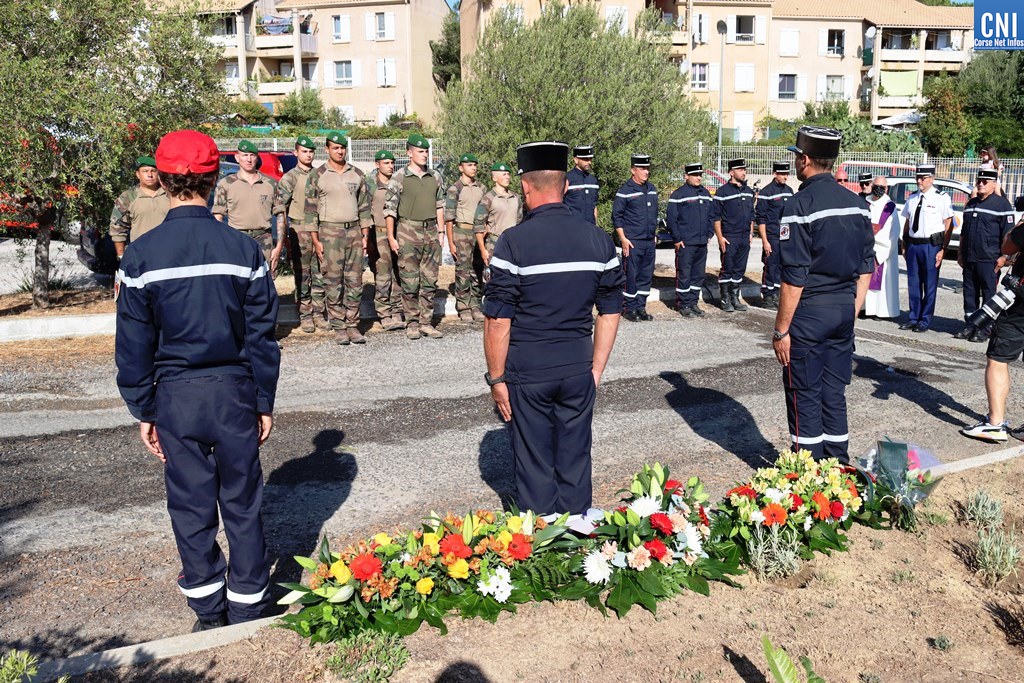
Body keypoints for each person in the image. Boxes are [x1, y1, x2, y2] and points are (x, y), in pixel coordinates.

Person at [115, 129, 280, 632]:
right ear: (213, 180)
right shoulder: (243, 250)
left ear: (163, 181)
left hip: (175, 398)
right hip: (234, 393)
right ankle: (248, 605)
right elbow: (261, 335)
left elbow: (134, 344)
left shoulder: (140, 256)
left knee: (189, 505)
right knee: (243, 502)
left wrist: (144, 408)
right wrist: (263, 400)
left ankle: (209, 612)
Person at [483, 140, 623, 518]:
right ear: (566, 185)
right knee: (575, 455)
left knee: (535, 461)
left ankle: (543, 540)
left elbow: (497, 319)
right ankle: (578, 533)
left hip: (529, 370)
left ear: (525, 187)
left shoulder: (513, 242)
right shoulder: (598, 240)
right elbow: (611, 311)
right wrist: (596, 369)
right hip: (578, 366)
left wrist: (496, 378)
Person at [772, 126, 875, 461]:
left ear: (804, 160)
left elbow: (794, 277)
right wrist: (851, 310)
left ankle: (809, 474)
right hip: (844, 309)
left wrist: (781, 330)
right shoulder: (857, 205)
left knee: (804, 394)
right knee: (833, 393)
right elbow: (866, 266)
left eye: (796, 157)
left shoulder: (799, 205)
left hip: (809, 313)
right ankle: (838, 469)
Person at [304, 130, 372, 346]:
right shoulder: (317, 175)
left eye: (342, 148)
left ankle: (352, 324)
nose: (340, 151)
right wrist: (316, 240)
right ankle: (339, 326)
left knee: (355, 281)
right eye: (335, 148)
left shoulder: (357, 174)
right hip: (329, 233)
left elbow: (365, 207)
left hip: (353, 232)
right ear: (327, 149)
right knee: (333, 281)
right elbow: (310, 211)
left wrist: (365, 235)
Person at [961, 218, 1024, 443]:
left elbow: (1007, 246)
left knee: (998, 359)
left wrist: (1019, 225)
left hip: (1020, 305)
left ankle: (995, 424)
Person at [383, 134, 446, 340]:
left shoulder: (435, 176)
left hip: (430, 231)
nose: (424, 155)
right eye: (420, 151)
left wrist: (441, 232)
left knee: (430, 280)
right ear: (409, 153)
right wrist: (391, 237)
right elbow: (390, 209)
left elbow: (440, 206)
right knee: (410, 280)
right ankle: (412, 323)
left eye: (426, 151)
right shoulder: (399, 177)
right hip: (408, 231)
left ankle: (426, 322)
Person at [954, 168, 1015, 342]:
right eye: (978, 181)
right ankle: (970, 325)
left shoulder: (1002, 205)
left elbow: (1008, 235)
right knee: (969, 293)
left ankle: (985, 329)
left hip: (990, 260)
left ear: (994, 184)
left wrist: (1004, 257)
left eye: (985, 182)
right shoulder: (971, 204)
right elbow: (964, 232)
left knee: (988, 294)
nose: (980, 184)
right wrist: (960, 253)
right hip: (970, 257)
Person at [274, 135, 324, 333]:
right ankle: (305, 314)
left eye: (311, 152)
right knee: (302, 274)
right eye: (304, 151)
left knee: (320, 272)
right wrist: (285, 236)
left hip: (319, 229)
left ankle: (319, 313)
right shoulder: (290, 178)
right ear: (296, 153)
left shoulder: (320, 174)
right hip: (299, 229)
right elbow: (281, 208)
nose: (308, 155)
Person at [899, 164, 954, 333]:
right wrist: (904, 243)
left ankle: (925, 319)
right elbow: (908, 221)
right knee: (913, 283)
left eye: (923, 178)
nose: (919, 181)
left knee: (930, 284)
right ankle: (913, 317)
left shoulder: (941, 198)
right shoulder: (912, 198)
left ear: (932, 178)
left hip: (931, 246)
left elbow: (948, 223)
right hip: (913, 245)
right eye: (917, 178)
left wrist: (943, 249)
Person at [212, 140, 283, 272]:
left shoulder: (270, 184)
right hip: (236, 238)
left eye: (252, 155)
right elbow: (218, 217)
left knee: (265, 279)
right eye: (245, 155)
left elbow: (280, 215)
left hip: (264, 239)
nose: (249, 159)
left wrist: (278, 246)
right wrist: (220, 244)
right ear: (237, 157)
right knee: (237, 279)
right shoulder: (226, 184)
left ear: (257, 157)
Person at [612, 154, 658, 322]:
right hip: (632, 241)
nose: (646, 172)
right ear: (633, 170)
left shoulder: (652, 189)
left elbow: (653, 214)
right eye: (642, 169)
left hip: (649, 241)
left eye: (647, 168)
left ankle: (640, 307)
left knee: (646, 276)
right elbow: (617, 217)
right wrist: (623, 239)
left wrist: (654, 235)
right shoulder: (625, 191)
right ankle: (629, 308)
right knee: (631, 276)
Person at [666, 163, 713, 317]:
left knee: (698, 275)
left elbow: (711, 216)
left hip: (701, 242)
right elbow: (672, 219)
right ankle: (684, 304)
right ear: (686, 176)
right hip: (685, 243)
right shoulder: (678, 194)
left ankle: (693, 303)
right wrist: (677, 238)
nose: (698, 178)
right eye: (695, 175)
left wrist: (709, 234)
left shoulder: (705, 193)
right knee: (684, 274)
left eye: (700, 175)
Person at [366, 150, 405, 331]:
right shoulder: (370, 185)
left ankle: (396, 309)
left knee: (399, 273)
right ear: (377, 164)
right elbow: (365, 211)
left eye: (392, 163)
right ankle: (384, 312)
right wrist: (368, 239)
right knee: (383, 274)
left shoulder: (398, 183)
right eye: (386, 163)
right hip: (379, 233)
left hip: (399, 233)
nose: (390, 166)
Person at [445, 153, 487, 322]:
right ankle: (463, 306)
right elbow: (449, 218)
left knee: (478, 268)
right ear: (461, 168)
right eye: (469, 165)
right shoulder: (455, 188)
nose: (473, 168)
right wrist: (450, 242)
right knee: (463, 270)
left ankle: (475, 304)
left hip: (478, 233)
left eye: (475, 165)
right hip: (462, 232)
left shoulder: (482, 188)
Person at [711, 158, 756, 313]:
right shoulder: (723, 192)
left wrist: (750, 233)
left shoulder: (748, 191)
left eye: (744, 170)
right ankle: (725, 299)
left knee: (739, 269)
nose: (744, 172)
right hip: (729, 236)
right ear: (731, 172)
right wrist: (720, 237)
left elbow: (751, 215)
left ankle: (735, 298)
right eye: (740, 170)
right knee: (727, 268)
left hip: (744, 237)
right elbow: (716, 217)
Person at [109, 156, 169, 257]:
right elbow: (117, 228)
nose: (150, 175)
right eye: (145, 171)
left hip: (170, 253)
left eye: (153, 171)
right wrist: (121, 256)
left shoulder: (170, 195)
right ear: (138, 174)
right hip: (141, 255)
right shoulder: (128, 197)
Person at [755, 161, 794, 309]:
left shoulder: (789, 191)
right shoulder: (766, 192)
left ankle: (777, 294)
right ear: (775, 174)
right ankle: (768, 296)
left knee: (781, 267)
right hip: (771, 236)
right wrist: (765, 241)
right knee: (770, 266)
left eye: (786, 174)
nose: (785, 177)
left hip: (785, 237)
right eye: (782, 174)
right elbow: (761, 218)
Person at [863, 176, 901, 320]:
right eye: (876, 186)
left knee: (883, 280)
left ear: (886, 189)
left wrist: (876, 248)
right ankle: (865, 309)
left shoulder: (889, 207)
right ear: (872, 186)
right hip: (866, 249)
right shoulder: (865, 203)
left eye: (881, 187)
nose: (878, 189)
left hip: (883, 251)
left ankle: (881, 311)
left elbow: (893, 232)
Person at [474, 161, 523, 264]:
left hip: (513, 244)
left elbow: (519, 221)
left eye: (508, 174)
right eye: (504, 174)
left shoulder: (516, 197)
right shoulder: (488, 198)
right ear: (494, 178)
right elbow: (478, 225)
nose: (507, 177)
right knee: (494, 273)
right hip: (495, 245)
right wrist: (483, 250)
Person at [564, 145, 599, 224]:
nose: (589, 162)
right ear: (576, 160)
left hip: (590, 226)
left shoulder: (593, 181)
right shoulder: (567, 179)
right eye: (585, 159)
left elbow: (594, 206)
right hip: (572, 226)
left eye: (590, 159)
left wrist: (595, 226)